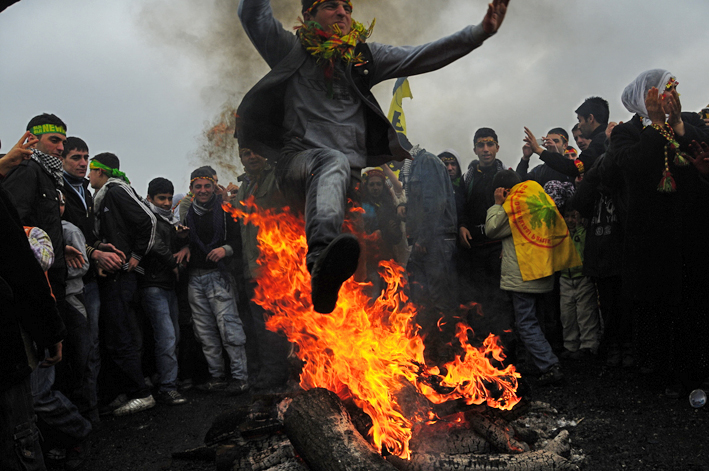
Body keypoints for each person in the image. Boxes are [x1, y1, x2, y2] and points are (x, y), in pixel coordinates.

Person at [236, 0, 510, 314]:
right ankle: (320, 259)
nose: (342, 12)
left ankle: (327, 289)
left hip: (346, 186)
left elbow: (421, 55)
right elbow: (252, 14)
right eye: (330, 6)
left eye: (347, 8)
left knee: (359, 289)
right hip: (299, 167)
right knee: (332, 160)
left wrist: (480, 32)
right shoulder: (290, 50)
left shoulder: (364, 58)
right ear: (308, 15)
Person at [607, 69, 709, 396]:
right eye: (658, 93)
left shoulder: (689, 121)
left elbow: (702, 154)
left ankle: (690, 373)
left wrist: (677, 124)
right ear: (643, 97)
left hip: (688, 232)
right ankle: (656, 374)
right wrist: (654, 125)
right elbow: (630, 166)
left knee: (690, 305)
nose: (665, 99)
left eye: (670, 91)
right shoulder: (626, 132)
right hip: (649, 236)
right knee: (653, 306)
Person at [0, 135, 67, 471]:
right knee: (18, 440)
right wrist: (50, 330)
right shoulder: (26, 176)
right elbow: (19, 261)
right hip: (5, 348)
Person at [484, 170, 580, 385]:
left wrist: (497, 204)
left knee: (526, 323)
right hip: (543, 272)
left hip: (523, 276)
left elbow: (491, 230)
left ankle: (549, 365)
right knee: (537, 321)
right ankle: (537, 363)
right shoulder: (538, 200)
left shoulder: (515, 206)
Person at [90, 152, 157, 415]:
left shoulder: (116, 191)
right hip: (113, 274)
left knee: (121, 334)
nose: (88, 174)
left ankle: (141, 393)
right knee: (118, 333)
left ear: (101, 172)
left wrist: (135, 257)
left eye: (91, 169)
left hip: (122, 275)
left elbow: (148, 220)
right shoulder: (104, 195)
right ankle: (128, 389)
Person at [175, 167, 249, 395]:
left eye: (207, 186)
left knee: (230, 329)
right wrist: (184, 244)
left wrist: (225, 249)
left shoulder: (226, 211)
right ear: (191, 189)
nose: (203, 190)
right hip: (195, 279)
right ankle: (217, 376)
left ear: (213, 187)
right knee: (204, 332)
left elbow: (240, 239)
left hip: (219, 277)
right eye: (198, 186)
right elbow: (189, 242)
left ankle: (240, 377)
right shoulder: (188, 215)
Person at [234, 148, 291, 391]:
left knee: (287, 325)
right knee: (262, 328)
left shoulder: (279, 175)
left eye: (255, 151)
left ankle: (295, 374)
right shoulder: (244, 187)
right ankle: (272, 373)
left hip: (279, 270)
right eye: (246, 153)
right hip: (253, 271)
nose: (252, 156)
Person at [458, 128, 516, 360]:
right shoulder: (468, 178)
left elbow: (514, 212)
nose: (485, 149)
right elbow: (460, 207)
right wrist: (461, 225)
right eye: (481, 145)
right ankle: (479, 351)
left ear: (497, 148)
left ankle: (505, 351)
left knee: (501, 300)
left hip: (498, 249)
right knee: (477, 299)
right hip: (475, 249)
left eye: (490, 144)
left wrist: (507, 245)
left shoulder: (506, 177)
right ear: (474, 149)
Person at [140, 177, 188, 405]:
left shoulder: (167, 221)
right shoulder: (148, 218)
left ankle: (169, 381)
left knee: (173, 336)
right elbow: (154, 246)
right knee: (167, 337)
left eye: (170, 198)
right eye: (162, 198)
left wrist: (183, 240)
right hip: (154, 285)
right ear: (150, 198)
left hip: (167, 286)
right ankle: (168, 387)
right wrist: (173, 264)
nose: (168, 203)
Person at [524, 97, 610, 179]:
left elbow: (574, 168)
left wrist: (538, 150)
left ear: (590, 118)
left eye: (580, 120)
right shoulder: (539, 171)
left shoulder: (602, 141)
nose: (579, 126)